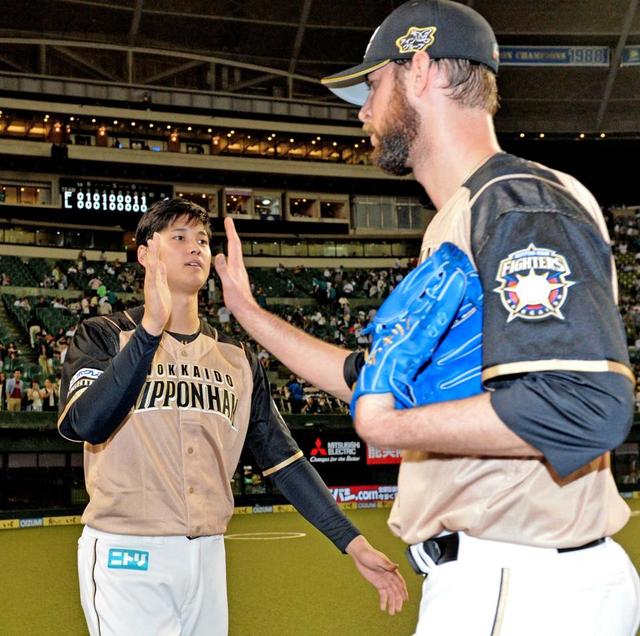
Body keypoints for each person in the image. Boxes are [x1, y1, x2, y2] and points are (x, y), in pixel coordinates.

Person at [214, 2, 640, 634]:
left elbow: (583, 408)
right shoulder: (467, 214)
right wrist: (248, 312)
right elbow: (373, 378)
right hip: (508, 579)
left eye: (374, 84)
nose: (362, 110)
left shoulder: (518, 201)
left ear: (420, 71)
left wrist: (394, 423)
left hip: (521, 584)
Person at [57, 198, 407, 636]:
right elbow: (85, 424)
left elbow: (285, 460)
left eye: (202, 239)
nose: (195, 248)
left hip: (208, 555)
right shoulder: (104, 334)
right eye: (179, 237)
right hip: (129, 553)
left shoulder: (236, 358)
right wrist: (149, 331)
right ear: (145, 253)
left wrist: (351, 541)